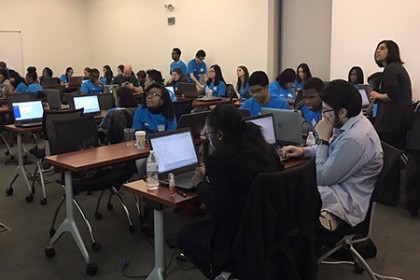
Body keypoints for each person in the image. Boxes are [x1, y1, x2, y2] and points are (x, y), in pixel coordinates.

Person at [177, 104, 284, 278]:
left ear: (219, 135)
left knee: (184, 236)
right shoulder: (264, 148)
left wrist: (200, 184)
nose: (207, 138)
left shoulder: (220, 160)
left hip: (241, 233)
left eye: (208, 134)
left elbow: (220, 211)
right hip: (271, 225)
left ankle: (225, 273)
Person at [282, 80, 383, 244]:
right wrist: (305, 151)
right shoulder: (351, 122)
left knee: (283, 198)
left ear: (342, 111)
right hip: (336, 187)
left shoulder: (355, 138)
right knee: (287, 187)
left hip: (342, 204)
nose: (324, 116)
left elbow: (322, 177)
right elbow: (333, 149)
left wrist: (322, 139)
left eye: (326, 111)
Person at [370, 40, 413, 150]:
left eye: (382, 48)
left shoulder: (391, 69)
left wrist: (376, 95)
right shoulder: (397, 68)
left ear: (391, 52)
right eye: (377, 48)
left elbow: (392, 95)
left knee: (388, 156)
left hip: (391, 125)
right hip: (398, 123)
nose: (378, 51)